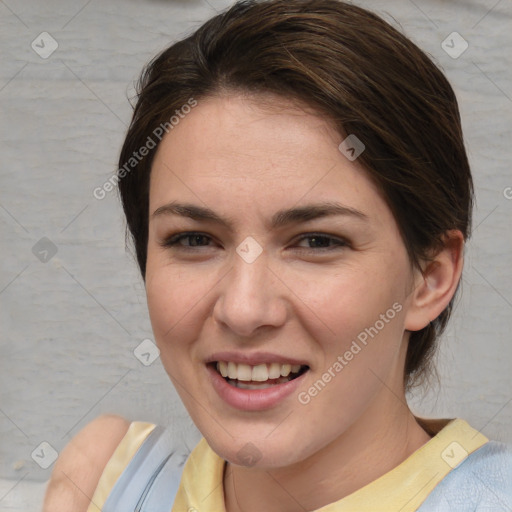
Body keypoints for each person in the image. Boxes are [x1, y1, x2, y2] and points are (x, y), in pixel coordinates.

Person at [42, 0, 512, 510]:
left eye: (316, 242)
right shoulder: (105, 486)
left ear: (430, 278)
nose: (243, 310)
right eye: (194, 239)